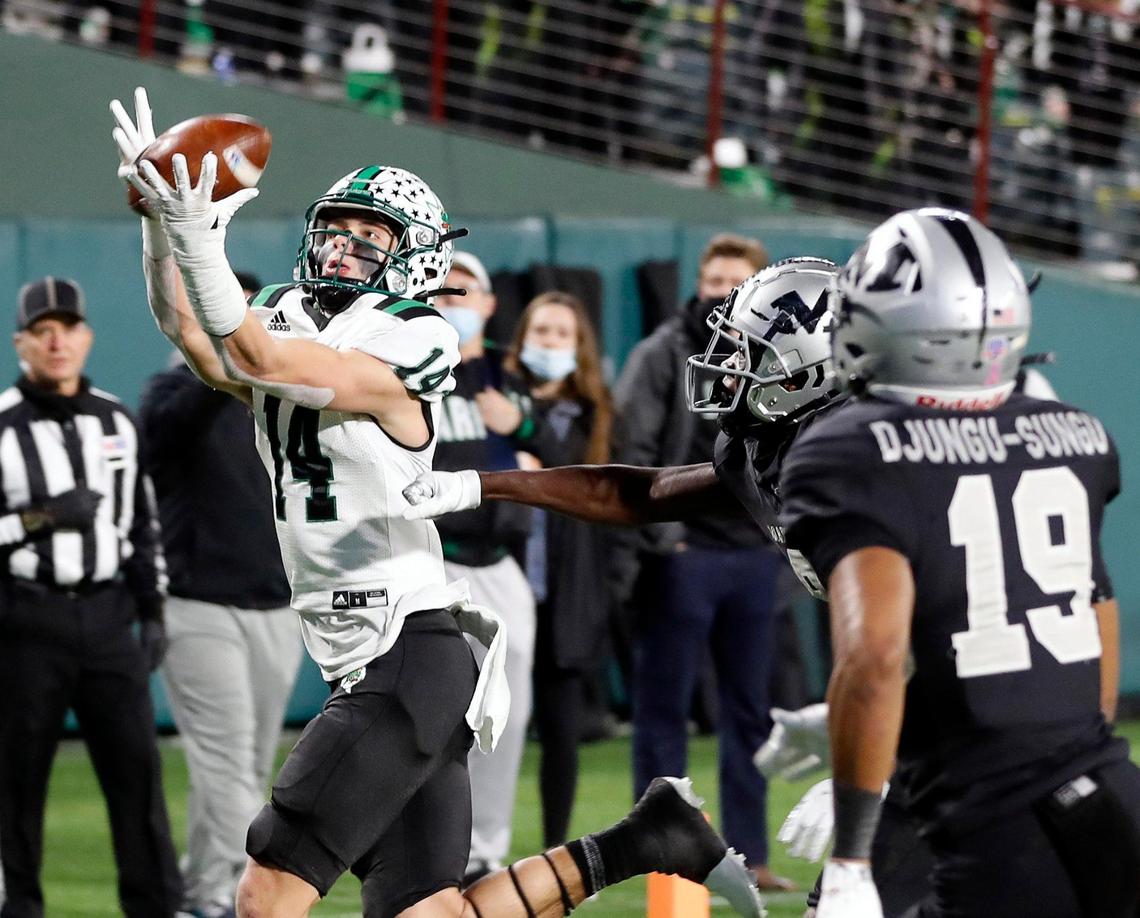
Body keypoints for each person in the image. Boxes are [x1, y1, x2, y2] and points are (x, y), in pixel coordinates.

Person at [113, 86, 763, 918]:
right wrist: (160, 221)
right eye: (336, 227)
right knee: (432, 913)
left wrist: (203, 243)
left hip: (403, 654)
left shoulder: (414, 330)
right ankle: (645, 840)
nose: (345, 246)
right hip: (379, 654)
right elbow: (200, 342)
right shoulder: (283, 314)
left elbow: (261, 355)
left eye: (371, 234)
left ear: (415, 257)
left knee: (265, 893)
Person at [402, 256, 845, 883]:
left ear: (806, 368)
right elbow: (643, 492)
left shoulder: (854, 455)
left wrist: (872, 764)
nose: (728, 364)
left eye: (750, 351)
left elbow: (925, 623)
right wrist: (486, 484)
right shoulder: (767, 445)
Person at [778, 207, 1139, 918]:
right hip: (1112, 801)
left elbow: (877, 657)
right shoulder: (1071, 431)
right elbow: (1094, 639)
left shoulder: (850, 448)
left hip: (1000, 842)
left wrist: (851, 858)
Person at [612, 232, 792, 891]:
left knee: (750, 713)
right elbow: (632, 441)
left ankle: (747, 855)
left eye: (736, 282)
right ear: (699, 281)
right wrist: (663, 543)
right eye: (713, 280)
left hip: (753, 557)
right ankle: (659, 854)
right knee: (664, 709)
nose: (722, 292)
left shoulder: (785, 356)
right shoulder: (663, 351)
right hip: (684, 556)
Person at [0, 276, 182, 918]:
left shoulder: (115, 418)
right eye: (42, 332)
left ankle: (154, 905)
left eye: (67, 329)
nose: (57, 343)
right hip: (27, 617)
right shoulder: (2, 425)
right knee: (18, 780)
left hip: (109, 618)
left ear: (86, 337)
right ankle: (18, 905)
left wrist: (153, 608)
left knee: (136, 774)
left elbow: (142, 521)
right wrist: (40, 517)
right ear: (22, 342)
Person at [139, 272, 303, 918]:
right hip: (198, 608)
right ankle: (271, 899)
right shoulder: (172, 389)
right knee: (231, 773)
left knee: (242, 769)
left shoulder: (280, 399)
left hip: (274, 608)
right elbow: (160, 435)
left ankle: (205, 898)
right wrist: (221, 363)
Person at [432, 251, 538, 884]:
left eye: (464, 291)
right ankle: (422, 841)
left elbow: (564, 450)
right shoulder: (408, 363)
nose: (452, 301)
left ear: (490, 304)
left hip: (498, 560)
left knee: (511, 707)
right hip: (430, 557)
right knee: (433, 706)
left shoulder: (507, 372)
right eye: (442, 290)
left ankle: (486, 847)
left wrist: (522, 421)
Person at [500, 291, 615, 849]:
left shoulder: (594, 414)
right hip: (499, 584)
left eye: (561, 335)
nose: (549, 343)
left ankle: (554, 852)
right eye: (540, 331)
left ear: (579, 347)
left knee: (561, 733)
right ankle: (469, 849)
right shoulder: (493, 400)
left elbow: (577, 480)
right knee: (482, 729)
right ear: (522, 339)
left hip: (567, 596)